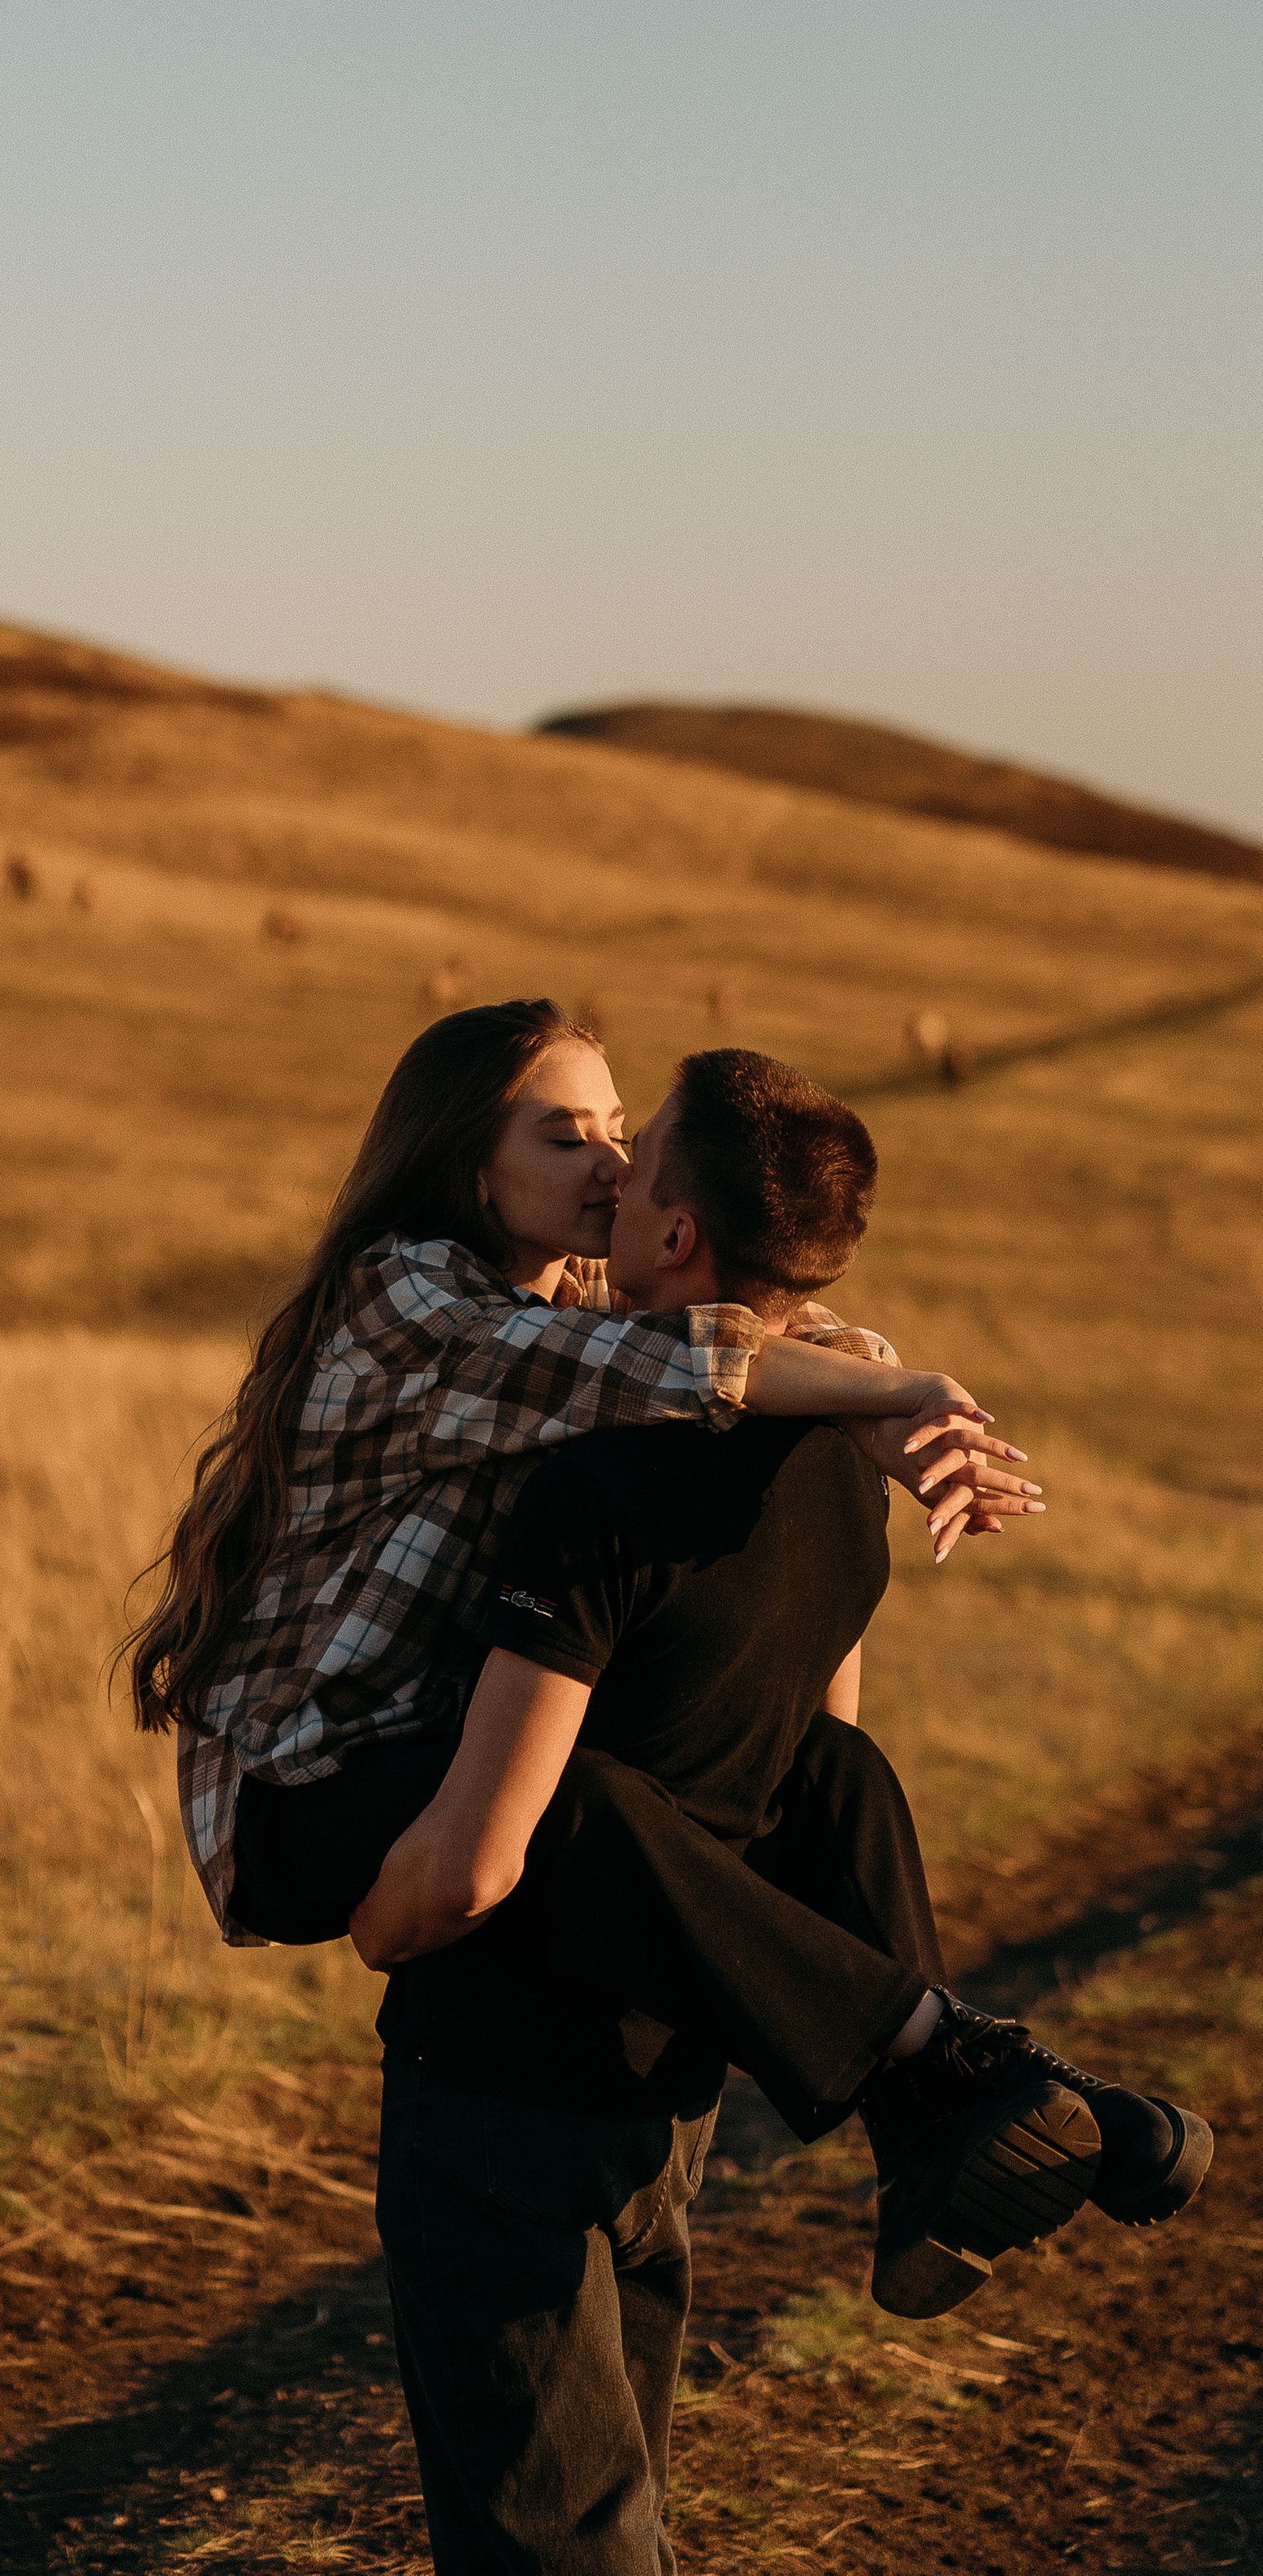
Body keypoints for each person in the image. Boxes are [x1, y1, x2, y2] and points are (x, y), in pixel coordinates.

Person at [353, 1047, 1209, 2574]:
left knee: (560, 2547)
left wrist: (379, 1920)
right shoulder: (835, 1471)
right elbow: (815, 1762)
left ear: (680, 1238)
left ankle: (942, 2069)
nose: (612, 1172)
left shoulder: (597, 1487)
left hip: (506, 2073)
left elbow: (491, 1855)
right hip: (671, 2087)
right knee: (625, 2519)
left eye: (639, 1151)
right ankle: (959, 2087)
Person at [124, 999, 1032, 1968]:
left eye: (620, 1131)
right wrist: (899, 1394)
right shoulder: (402, 1294)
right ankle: (903, 2049)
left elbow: (779, 1329)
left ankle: (936, 2046)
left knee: (828, 1770)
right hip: (306, 1780)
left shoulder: (571, 1292)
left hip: (436, 1739)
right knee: (592, 1804)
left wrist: (881, 1407)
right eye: (565, 1139)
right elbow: (688, 1357)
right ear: (471, 1170)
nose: (614, 1166)